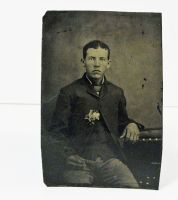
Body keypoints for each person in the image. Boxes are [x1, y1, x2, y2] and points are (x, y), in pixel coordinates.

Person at [49, 40, 144, 188]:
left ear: (108, 63)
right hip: (79, 161)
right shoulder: (69, 92)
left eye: (102, 59)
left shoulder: (116, 92)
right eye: (92, 58)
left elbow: (121, 121)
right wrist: (68, 155)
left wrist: (132, 124)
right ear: (83, 61)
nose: (97, 64)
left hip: (110, 159)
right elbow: (56, 131)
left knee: (133, 189)